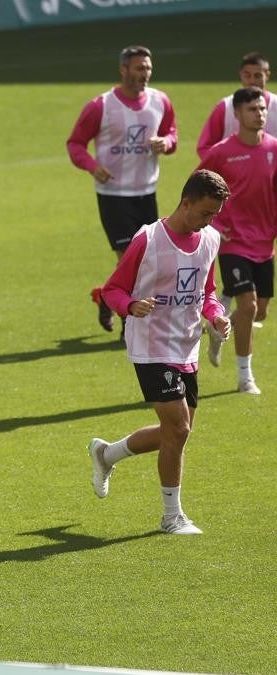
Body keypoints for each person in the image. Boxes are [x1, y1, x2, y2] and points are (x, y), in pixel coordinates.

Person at [90, 170, 232, 535]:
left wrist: (216, 317)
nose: (209, 221)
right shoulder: (148, 239)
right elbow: (112, 289)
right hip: (151, 346)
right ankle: (172, 517)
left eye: (214, 214)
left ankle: (106, 454)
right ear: (186, 202)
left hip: (186, 345)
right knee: (179, 427)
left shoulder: (210, 240)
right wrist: (130, 305)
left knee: (176, 433)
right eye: (205, 212)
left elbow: (208, 291)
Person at [67, 46, 177, 334]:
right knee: (132, 258)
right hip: (114, 195)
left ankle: (107, 296)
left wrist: (166, 143)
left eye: (148, 68)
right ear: (123, 70)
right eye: (139, 68)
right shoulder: (100, 106)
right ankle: (131, 328)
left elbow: (172, 133)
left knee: (144, 260)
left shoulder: (160, 101)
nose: (145, 74)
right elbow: (75, 144)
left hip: (146, 192)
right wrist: (93, 166)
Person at [197, 87, 277, 394]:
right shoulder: (221, 152)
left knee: (260, 311)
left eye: (262, 109)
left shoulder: (274, 148)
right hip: (232, 241)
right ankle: (245, 378)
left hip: (264, 242)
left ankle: (219, 329)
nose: (259, 114)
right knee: (248, 305)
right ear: (237, 114)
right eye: (252, 109)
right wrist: (214, 223)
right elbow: (197, 187)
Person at [196, 52, 277, 159]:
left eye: (257, 75)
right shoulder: (224, 107)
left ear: (267, 75)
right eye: (247, 75)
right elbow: (205, 147)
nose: (252, 81)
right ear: (240, 74)